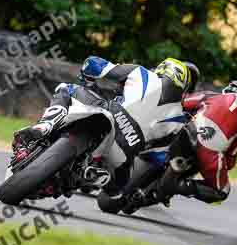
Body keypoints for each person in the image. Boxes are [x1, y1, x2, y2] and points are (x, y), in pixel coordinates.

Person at [12, 55, 200, 213]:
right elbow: (156, 156)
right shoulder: (178, 120)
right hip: (123, 153)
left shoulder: (142, 73)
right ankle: (96, 177)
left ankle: (45, 125)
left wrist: (87, 79)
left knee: (65, 88)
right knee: (117, 191)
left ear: (162, 69)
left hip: (109, 114)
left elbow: (93, 64)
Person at [134, 80, 237, 208]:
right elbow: (230, 160)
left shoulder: (212, 95)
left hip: (188, 131)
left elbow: (183, 102)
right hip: (210, 154)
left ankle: (144, 148)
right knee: (222, 192)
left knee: (174, 120)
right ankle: (179, 186)